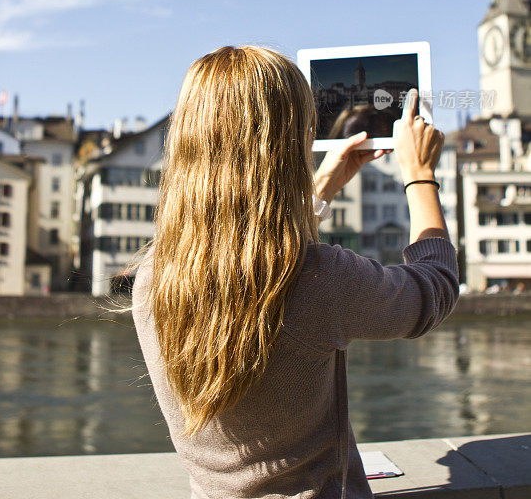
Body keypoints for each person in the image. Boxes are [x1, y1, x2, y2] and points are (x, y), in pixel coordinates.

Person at [131, 45, 459, 499]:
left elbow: (251, 254)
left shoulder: (152, 277)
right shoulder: (321, 278)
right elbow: (434, 290)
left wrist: (324, 183)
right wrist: (420, 176)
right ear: (289, 144)